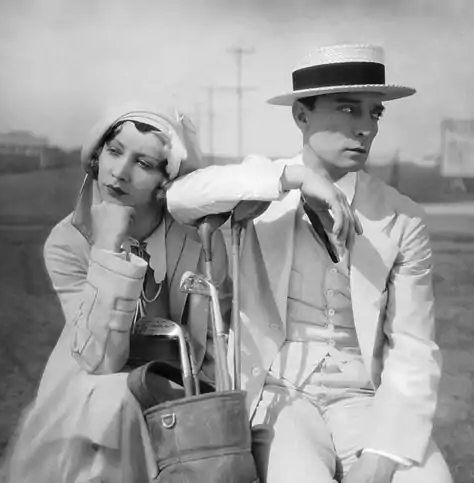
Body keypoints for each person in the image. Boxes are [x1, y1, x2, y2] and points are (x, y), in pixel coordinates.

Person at [165, 44, 452, 483]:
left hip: (366, 396)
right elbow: (181, 197)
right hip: (281, 394)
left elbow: (414, 346)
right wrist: (297, 179)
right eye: (348, 109)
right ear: (302, 116)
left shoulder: (401, 217)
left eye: (374, 113)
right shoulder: (264, 186)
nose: (366, 128)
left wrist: (380, 459)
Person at [0, 103, 231, 483]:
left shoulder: (202, 240)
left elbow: (217, 340)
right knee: (115, 400)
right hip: (92, 388)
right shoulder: (67, 242)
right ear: (97, 155)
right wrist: (107, 247)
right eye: (114, 151)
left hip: (181, 386)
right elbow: (99, 357)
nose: (119, 172)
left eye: (144, 163)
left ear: (167, 180)